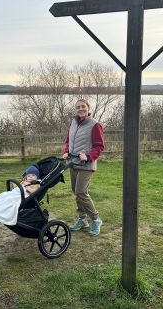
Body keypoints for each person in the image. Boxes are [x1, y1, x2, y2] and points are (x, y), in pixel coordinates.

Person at [63, 99, 104, 236]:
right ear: (75, 109)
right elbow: (69, 140)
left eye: (83, 106)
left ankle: (96, 219)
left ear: (88, 108)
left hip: (86, 164)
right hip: (73, 162)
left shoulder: (95, 125)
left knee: (81, 192)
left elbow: (99, 146)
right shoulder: (73, 122)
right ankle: (82, 219)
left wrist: (88, 156)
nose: (80, 109)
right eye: (78, 107)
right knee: (76, 190)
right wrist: (66, 151)